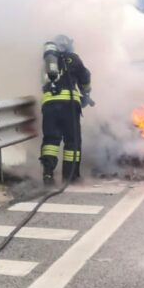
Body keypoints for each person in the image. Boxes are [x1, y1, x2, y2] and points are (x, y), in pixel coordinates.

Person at [39, 35, 95, 185]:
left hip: (49, 105)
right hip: (69, 105)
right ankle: (70, 177)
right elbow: (85, 77)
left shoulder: (48, 63)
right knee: (72, 141)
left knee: (50, 140)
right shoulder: (73, 59)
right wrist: (86, 93)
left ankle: (48, 174)